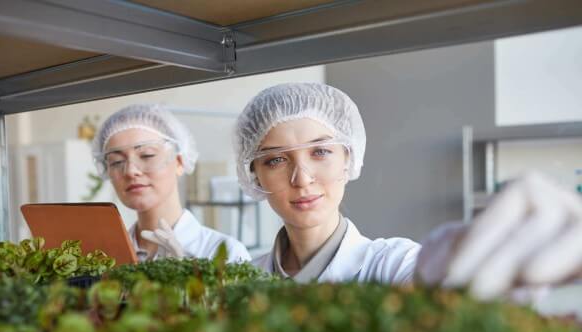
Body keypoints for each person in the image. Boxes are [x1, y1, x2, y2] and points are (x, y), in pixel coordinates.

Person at [233, 82, 582, 301]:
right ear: (255, 176)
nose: (302, 178)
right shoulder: (242, 281)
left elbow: (435, 290)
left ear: (348, 158)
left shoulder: (392, 263)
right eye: (276, 160)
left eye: (320, 152)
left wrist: (464, 262)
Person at [93, 104, 250, 263]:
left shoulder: (226, 253)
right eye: (116, 162)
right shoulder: (105, 258)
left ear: (179, 162)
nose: (130, 171)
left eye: (147, 155)